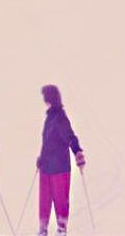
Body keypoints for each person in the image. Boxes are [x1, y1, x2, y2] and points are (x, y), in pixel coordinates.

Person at [36, 85, 85, 236]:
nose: (43, 100)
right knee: (44, 200)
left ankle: (61, 229)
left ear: (49, 98)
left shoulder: (60, 118)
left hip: (59, 168)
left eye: (45, 96)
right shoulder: (50, 117)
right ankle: (43, 230)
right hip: (46, 167)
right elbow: (47, 142)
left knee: (60, 200)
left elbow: (70, 137)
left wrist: (78, 152)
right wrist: (41, 158)